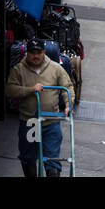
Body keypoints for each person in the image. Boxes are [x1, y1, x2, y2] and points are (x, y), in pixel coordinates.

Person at [6, 37, 74, 176]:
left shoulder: (55, 68)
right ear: (27, 53)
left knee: (52, 161)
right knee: (28, 158)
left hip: (51, 121)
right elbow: (10, 90)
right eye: (32, 52)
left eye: (38, 52)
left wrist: (68, 105)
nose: (35, 56)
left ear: (44, 52)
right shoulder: (19, 69)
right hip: (29, 122)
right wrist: (30, 89)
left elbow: (67, 87)